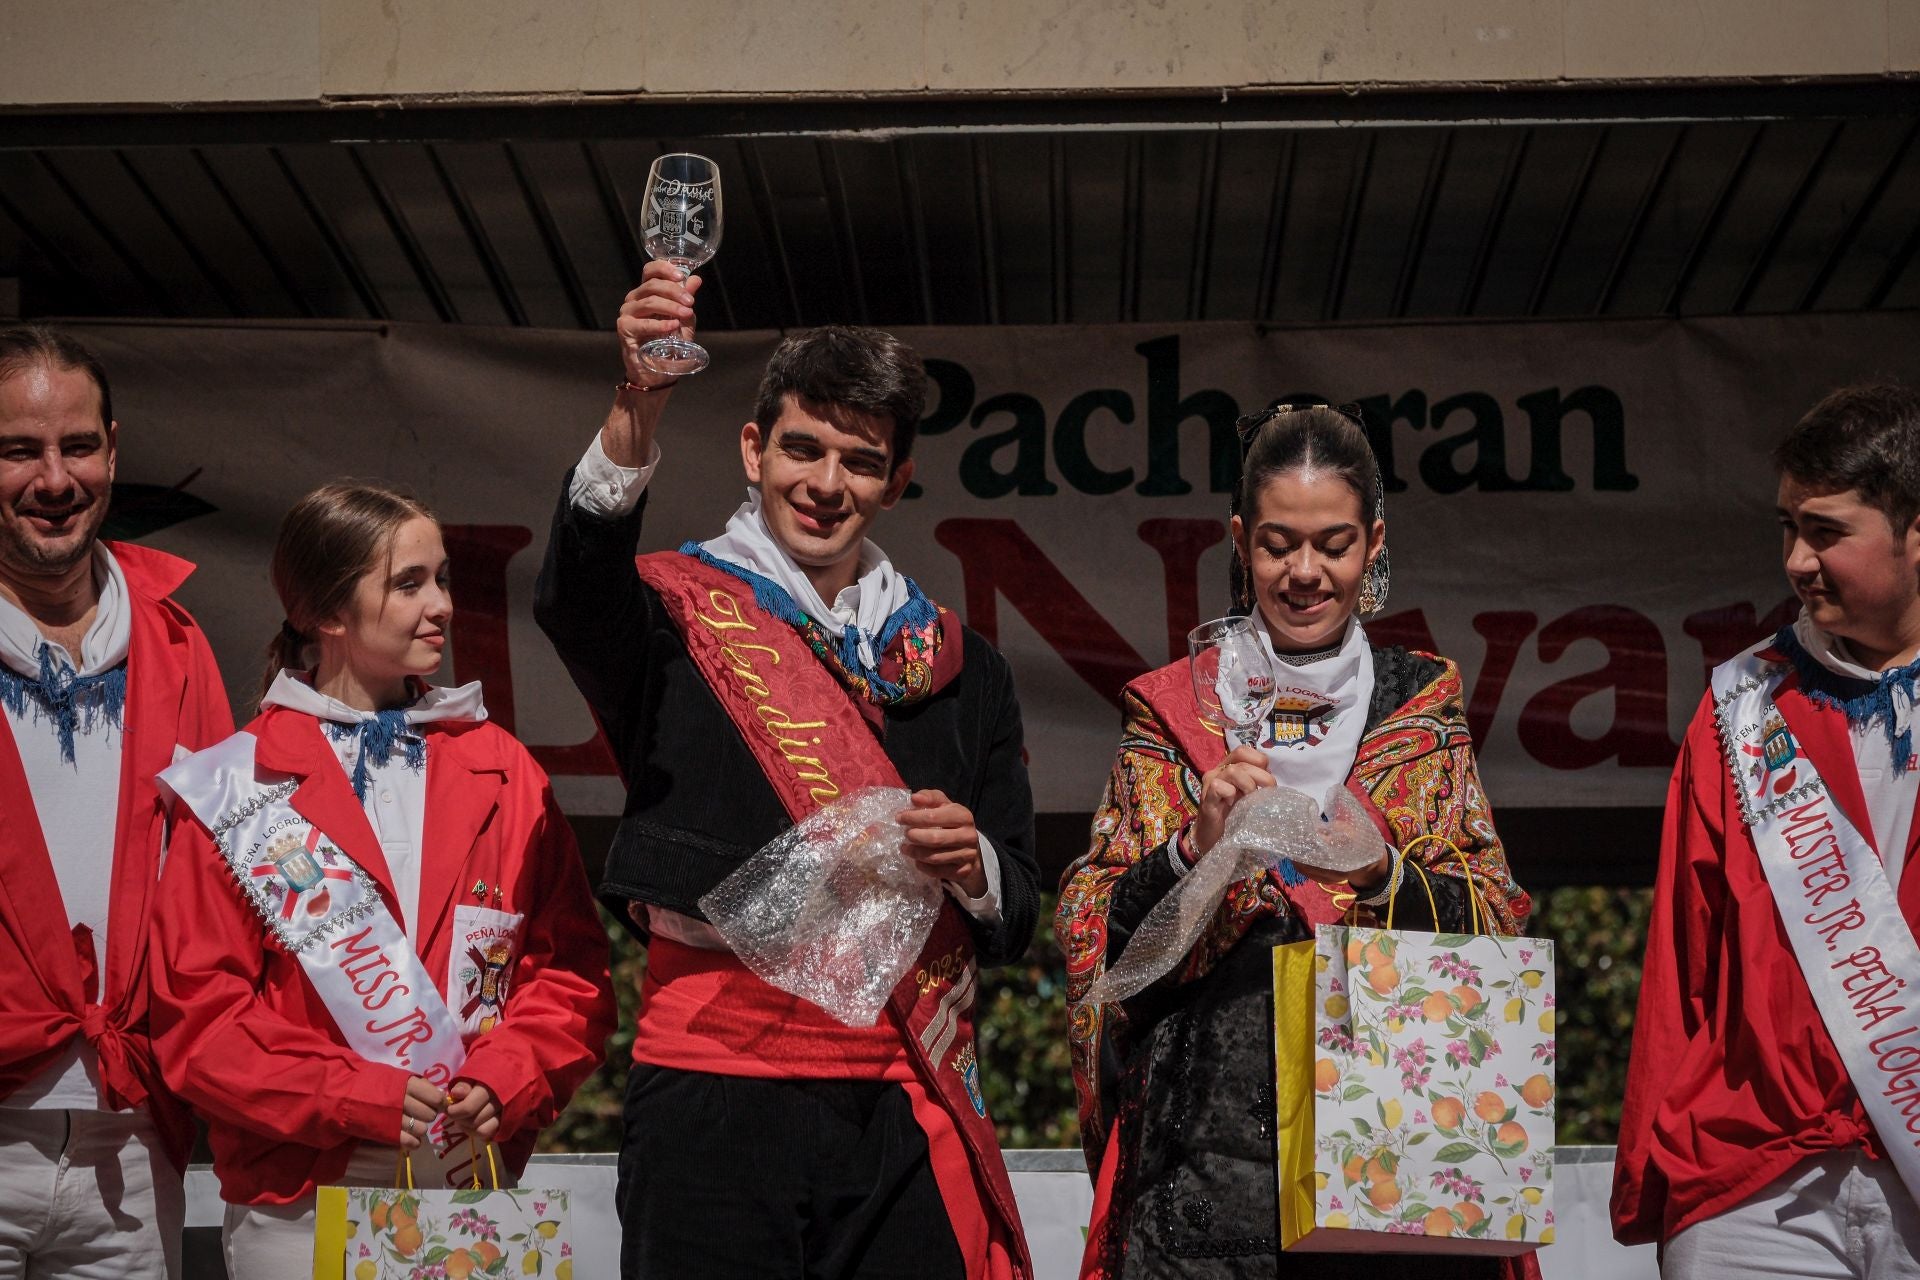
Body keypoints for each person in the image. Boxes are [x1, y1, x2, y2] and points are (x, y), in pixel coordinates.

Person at [534, 259, 1040, 1279]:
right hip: (714, 1080)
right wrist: (637, 403)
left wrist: (973, 860)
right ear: (753, 448)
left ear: (896, 482)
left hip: (903, 1091)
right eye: (802, 447)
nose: (825, 482)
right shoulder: (673, 613)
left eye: (860, 461)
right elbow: (576, 591)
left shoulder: (961, 663)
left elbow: (1023, 901)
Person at [1057, 402, 1537, 1280]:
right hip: (1206, 1169)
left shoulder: (1421, 707)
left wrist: (1383, 873)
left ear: (1375, 542)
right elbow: (1095, 931)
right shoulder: (1172, 709)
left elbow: (1495, 919)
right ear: (1239, 541)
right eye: (1279, 544)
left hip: (1394, 1155)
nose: (1306, 572)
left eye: (1335, 544)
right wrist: (1191, 853)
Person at [149, 482, 614, 1280]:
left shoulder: (503, 768)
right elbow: (201, 1021)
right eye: (408, 584)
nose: (439, 604)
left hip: (470, 1180)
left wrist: (508, 1078)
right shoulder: (238, 784)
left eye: (441, 579)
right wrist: (351, 1092)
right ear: (327, 613)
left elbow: (569, 975)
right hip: (299, 1198)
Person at [1613, 384, 1920, 1277]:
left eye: (1826, 531)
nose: (1795, 559)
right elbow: (1683, 952)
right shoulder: (1743, 708)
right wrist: (1662, 1168)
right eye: (1787, 526)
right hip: (1753, 1175)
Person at [0, 326, 233, 1279]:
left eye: (78, 446)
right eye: (19, 450)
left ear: (113, 450)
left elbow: (227, 879)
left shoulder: (180, 645)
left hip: (133, 1146)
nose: (55, 479)